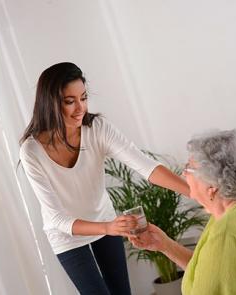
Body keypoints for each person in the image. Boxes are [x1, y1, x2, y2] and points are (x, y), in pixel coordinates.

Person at [19, 62, 189, 294]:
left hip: (104, 219)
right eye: (70, 101)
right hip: (67, 235)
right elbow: (58, 218)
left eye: (84, 97)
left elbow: (146, 166)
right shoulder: (32, 151)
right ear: (50, 104)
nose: (80, 108)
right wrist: (107, 227)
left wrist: (196, 192)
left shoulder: (97, 128)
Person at [130, 129, 236, 295]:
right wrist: (164, 245)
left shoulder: (227, 233)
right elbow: (210, 272)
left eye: (189, 168)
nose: (183, 174)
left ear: (212, 186)